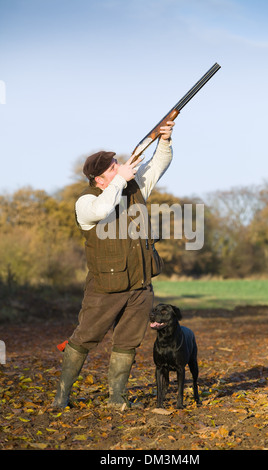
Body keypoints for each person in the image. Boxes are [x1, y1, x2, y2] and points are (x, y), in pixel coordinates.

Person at [53, 121, 175, 408]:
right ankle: (61, 397)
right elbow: (103, 209)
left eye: (117, 163)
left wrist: (164, 140)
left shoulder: (132, 187)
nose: (119, 168)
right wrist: (122, 178)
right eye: (112, 168)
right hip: (105, 287)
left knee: (128, 341)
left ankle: (116, 398)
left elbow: (159, 164)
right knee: (84, 338)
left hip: (140, 284)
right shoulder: (86, 201)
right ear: (99, 179)